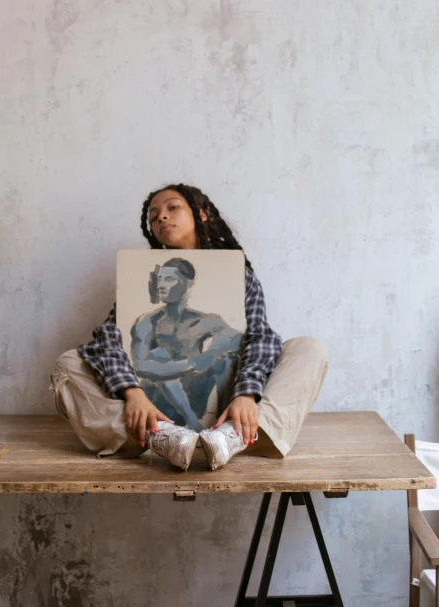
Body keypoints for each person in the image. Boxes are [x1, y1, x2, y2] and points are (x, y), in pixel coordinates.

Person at [50, 183, 328, 471]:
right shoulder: (142, 308)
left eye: (172, 207)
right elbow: (110, 341)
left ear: (202, 214)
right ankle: (162, 439)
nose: (161, 218)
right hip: (151, 418)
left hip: (228, 414)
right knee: (67, 363)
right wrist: (132, 393)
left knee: (309, 348)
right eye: (153, 216)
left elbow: (259, 337)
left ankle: (235, 435)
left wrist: (246, 394)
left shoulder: (231, 287)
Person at [131, 257, 243, 431]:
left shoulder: (205, 320)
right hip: (160, 402)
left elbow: (237, 339)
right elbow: (140, 366)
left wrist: (212, 353)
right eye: (160, 279)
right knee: (157, 355)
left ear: (187, 284)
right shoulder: (147, 322)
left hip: (196, 395)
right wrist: (191, 364)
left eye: (169, 279)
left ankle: (223, 426)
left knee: (225, 361)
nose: (161, 285)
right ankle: (192, 423)